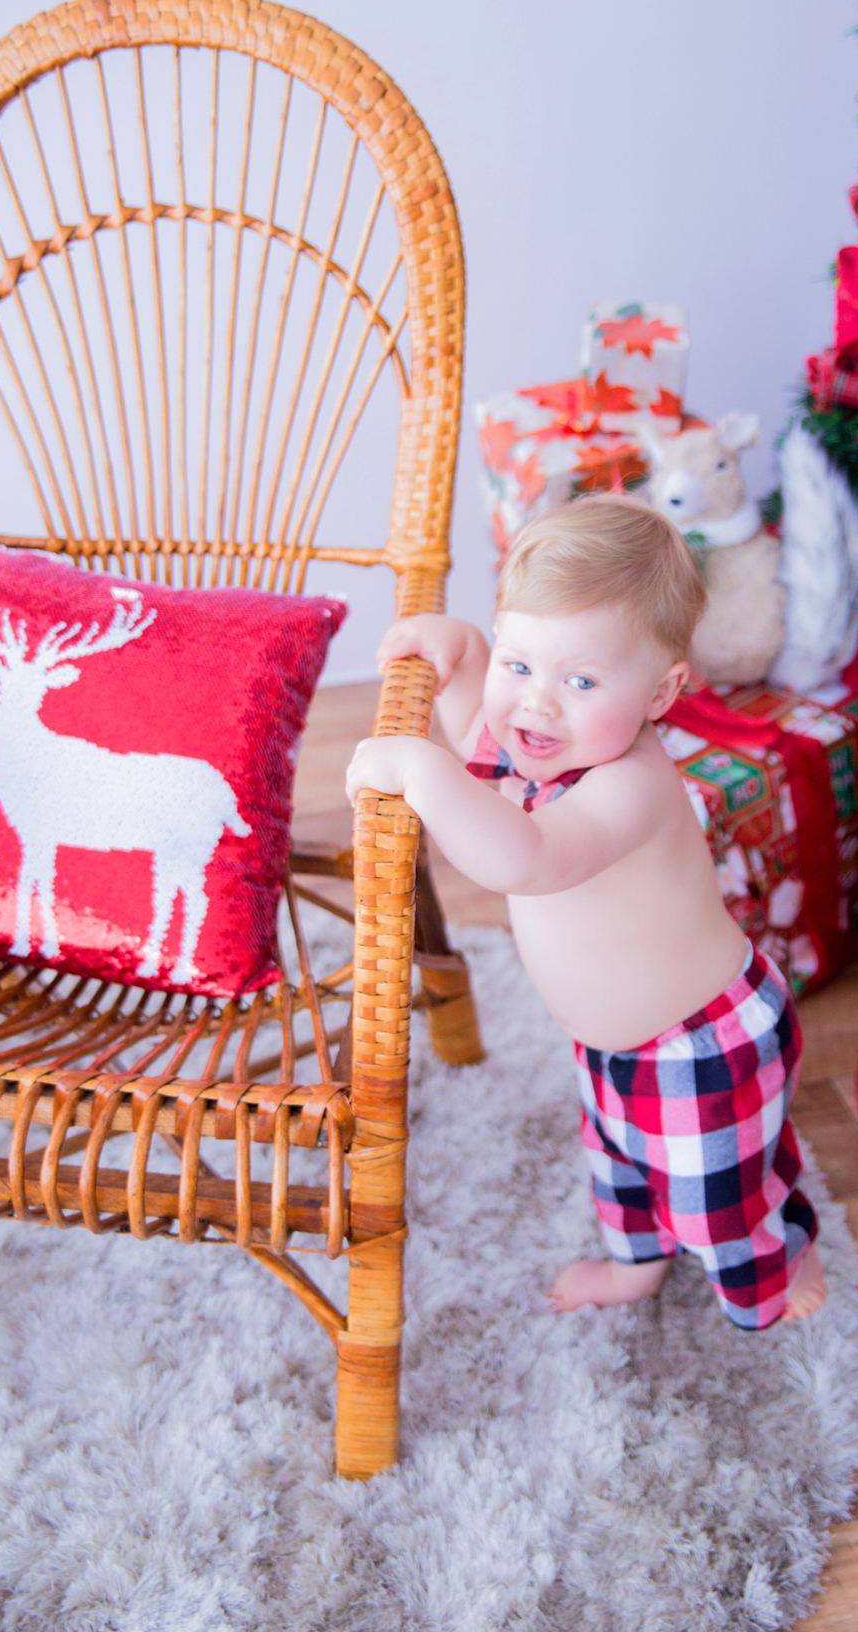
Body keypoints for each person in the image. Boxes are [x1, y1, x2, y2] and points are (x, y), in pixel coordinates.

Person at [346, 494, 826, 1328]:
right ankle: (634, 1265)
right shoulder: (555, 742)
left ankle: (779, 1264)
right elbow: (487, 761)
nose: (537, 704)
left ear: (660, 692)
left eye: (581, 680)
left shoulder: (629, 787)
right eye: (519, 663)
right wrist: (462, 662)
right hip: (615, 1045)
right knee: (621, 1162)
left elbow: (520, 856)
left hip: (702, 1048)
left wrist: (419, 773)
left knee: (722, 1198)